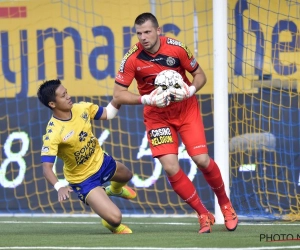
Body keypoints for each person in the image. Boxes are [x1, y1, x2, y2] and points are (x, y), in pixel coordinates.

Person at [113, 12, 238, 234]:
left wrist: (190, 90)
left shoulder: (177, 48)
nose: (143, 37)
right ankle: (202, 214)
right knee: (170, 167)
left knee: (201, 159)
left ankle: (225, 205)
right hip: (157, 113)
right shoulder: (131, 58)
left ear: (158, 31)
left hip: (185, 108)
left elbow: (199, 75)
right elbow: (118, 95)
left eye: (148, 32)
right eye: (139, 33)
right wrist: (146, 98)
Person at [37, 79, 136, 234]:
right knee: (116, 218)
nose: (68, 96)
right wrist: (59, 187)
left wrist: (118, 98)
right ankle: (110, 224)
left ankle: (115, 190)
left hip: (101, 161)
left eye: (67, 92)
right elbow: (46, 168)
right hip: (83, 180)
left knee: (127, 175)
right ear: (52, 104)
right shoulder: (53, 132)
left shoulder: (81, 108)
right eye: (63, 96)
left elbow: (108, 113)